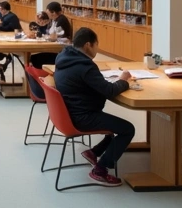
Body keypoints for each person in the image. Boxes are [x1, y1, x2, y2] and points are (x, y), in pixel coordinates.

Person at [52, 28, 135, 186]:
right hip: (83, 117)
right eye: (97, 44)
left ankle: (94, 152)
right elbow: (110, 91)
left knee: (112, 126)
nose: (97, 49)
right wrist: (123, 80)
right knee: (127, 129)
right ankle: (100, 170)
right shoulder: (86, 67)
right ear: (88, 45)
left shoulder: (64, 57)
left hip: (68, 114)